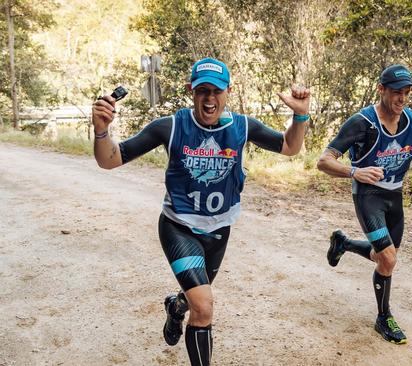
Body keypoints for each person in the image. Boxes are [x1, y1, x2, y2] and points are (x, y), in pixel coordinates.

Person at [92, 57, 310, 365]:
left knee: (196, 297)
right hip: (178, 227)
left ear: (228, 92)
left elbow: (289, 147)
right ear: (191, 91)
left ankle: (176, 307)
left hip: (220, 230)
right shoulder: (169, 127)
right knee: (205, 306)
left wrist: (299, 117)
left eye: (216, 91)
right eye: (202, 91)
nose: (209, 99)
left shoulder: (243, 127)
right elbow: (109, 160)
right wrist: (102, 132)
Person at [316, 64, 412, 344]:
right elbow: (324, 161)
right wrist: (355, 172)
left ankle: (344, 244)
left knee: (383, 259)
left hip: (394, 197)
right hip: (368, 196)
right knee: (388, 259)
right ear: (381, 90)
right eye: (396, 93)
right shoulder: (362, 123)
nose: (402, 99)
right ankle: (383, 317)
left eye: (406, 93)